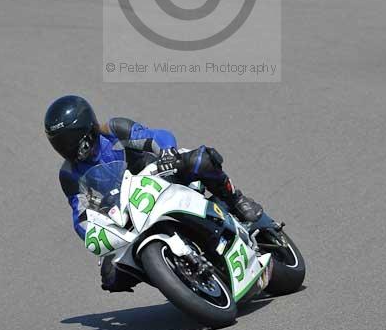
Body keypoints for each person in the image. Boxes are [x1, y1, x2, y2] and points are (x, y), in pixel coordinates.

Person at [44, 95, 264, 292]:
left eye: (71, 140)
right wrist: (91, 232)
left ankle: (235, 200)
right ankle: (173, 276)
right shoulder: (69, 175)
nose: (68, 148)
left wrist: (167, 153)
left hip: (159, 176)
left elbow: (155, 136)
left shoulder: (114, 130)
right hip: (125, 209)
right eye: (60, 144)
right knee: (110, 275)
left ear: (88, 127)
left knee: (200, 161)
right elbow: (80, 213)